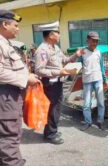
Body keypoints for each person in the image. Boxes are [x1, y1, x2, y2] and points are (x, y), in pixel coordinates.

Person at [0, 10, 40, 166]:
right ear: (4, 24)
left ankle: (11, 159)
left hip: (10, 95)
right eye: (15, 25)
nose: (18, 28)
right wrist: (26, 78)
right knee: (9, 135)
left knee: (9, 134)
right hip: (5, 96)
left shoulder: (5, 43)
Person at [35, 21, 84, 144]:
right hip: (50, 84)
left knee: (55, 108)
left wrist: (76, 55)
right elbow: (39, 70)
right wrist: (59, 73)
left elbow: (65, 60)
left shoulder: (55, 47)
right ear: (51, 35)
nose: (59, 35)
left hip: (57, 82)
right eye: (58, 33)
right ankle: (51, 134)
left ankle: (50, 131)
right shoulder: (42, 50)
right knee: (53, 109)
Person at [80, 31, 108, 131]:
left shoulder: (98, 52)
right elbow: (77, 66)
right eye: (93, 41)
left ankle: (100, 121)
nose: (95, 43)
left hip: (98, 80)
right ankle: (88, 122)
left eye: (97, 41)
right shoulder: (82, 52)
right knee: (87, 104)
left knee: (101, 102)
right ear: (87, 40)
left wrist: (105, 79)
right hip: (87, 81)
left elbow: (101, 67)